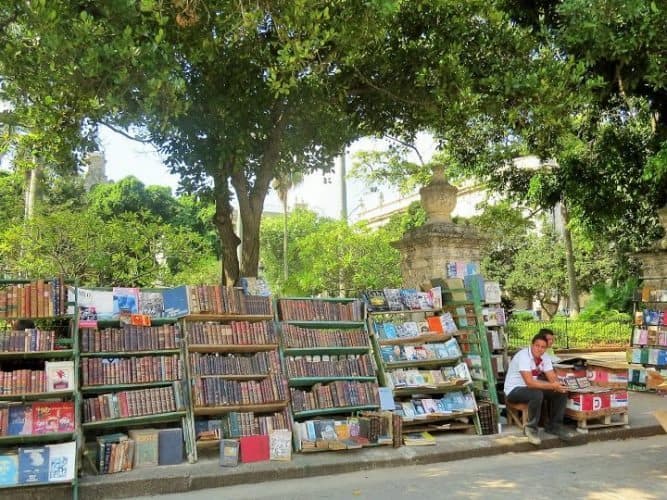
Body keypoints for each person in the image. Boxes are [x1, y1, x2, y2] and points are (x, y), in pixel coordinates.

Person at [504, 331, 574, 445]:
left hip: (531, 389)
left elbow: (551, 377)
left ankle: (554, 426)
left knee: (561, 392)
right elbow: (530, 383)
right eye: (537, 346)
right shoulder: (523, 356)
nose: (539, 349)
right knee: (537, 394)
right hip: (514, 391)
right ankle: (530, 429)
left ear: (546, 348)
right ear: (532, 345)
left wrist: (559, 386)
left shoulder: (545, 357)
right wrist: (552, 385)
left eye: (543, 347)